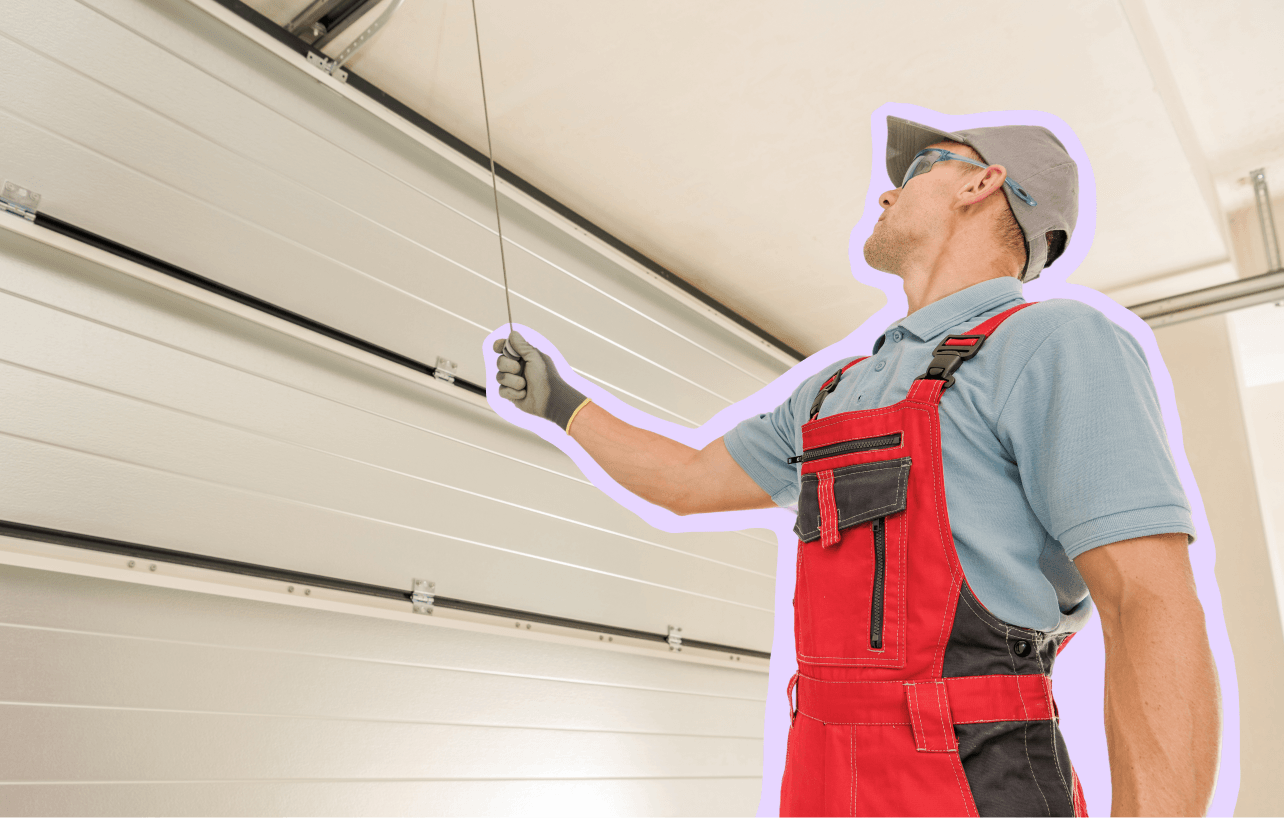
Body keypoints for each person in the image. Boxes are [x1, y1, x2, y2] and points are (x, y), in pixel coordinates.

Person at [492, 115, 1220, 817]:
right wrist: (562, 405)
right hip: (817, 768)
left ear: (983, 183)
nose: (887, 191)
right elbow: (687, 481)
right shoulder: (833, 389)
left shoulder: (1051, 342)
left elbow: (1148, 605)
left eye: (921, 167)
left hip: (967, 773)